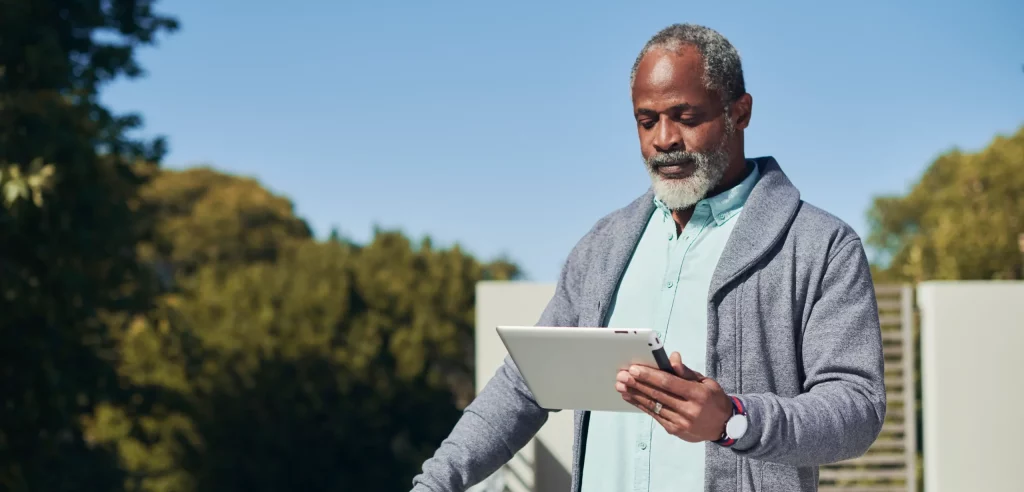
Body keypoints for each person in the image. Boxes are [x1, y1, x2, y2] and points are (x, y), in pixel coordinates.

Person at [410, 23, 885, 492]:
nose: (664, 139)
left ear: (739, 113)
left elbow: (857, 406)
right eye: (647, 120)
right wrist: (433, 484)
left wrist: (733, 421)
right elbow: (524, 386)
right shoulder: (602, 247)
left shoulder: (820, 245)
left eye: (686, 116)